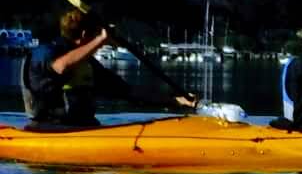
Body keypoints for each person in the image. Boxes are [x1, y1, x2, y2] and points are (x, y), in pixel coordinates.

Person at [19, 8, 192, 129]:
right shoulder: (44, 53)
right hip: (47, 130)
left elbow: (128, 92)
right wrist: (100, 40)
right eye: (95, 37)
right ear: (86, 35)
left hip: (85, 129)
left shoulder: (89, 66)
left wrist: (175, 101)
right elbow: (61, 67)